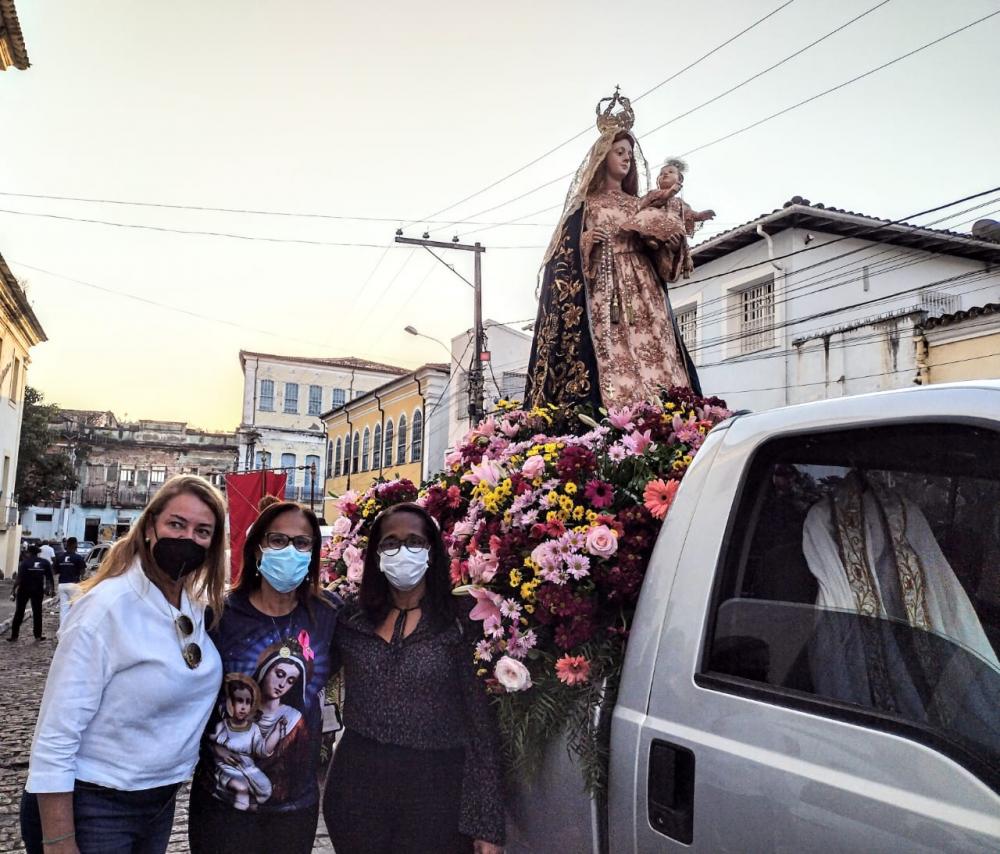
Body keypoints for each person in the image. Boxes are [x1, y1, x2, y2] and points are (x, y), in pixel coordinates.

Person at [19, 475, 227, 854]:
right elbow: (55, 735)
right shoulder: (105, 608)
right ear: (149, 527)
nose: (187, 538)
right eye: (176, 524)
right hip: (94, 804)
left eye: (202, 531)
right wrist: (59, 840)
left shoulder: (196, 607)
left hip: (158, 801)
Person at [323, 502, 505, 854]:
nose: (402, 550)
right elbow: (308, 672)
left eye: (414, 542)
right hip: (356, 787)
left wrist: (487, 824)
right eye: (390, 542)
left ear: (432, 552)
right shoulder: (352, 619)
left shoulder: (460, 622)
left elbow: (481, 725)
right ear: (376, 555)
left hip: (437, 790)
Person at [525, 89, 701, 410]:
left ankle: (663, 412)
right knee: (611, 354)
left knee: (658, 350)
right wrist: (587, 243)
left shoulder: (641, 204)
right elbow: (564, 258)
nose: (626, 158)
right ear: (602, 157)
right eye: (619, 151)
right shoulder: (587, 206)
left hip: (646, 293)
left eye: (629, 154)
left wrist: (670, 245)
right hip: (606, 292)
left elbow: (662, 262)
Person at [188, 501, 340, 854]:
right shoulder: (219, 614)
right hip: (221, 807)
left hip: (295, 811)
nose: (290, 550)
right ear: (257, 548)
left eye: (302, 542)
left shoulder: (328, 614)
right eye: (278, 540)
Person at [7, 545, 54, 643]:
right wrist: (50, 588)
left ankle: (14, 636)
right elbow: (50, 577)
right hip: (38, 590)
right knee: (37, 612)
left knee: (19, 612)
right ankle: (38, 636)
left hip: (24, 590)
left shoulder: (24, 563)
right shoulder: (44, 562)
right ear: (38, 553)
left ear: (29, 552)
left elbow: (19, 578)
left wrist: (13, 590)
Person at [53, 538, 87, 624]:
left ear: (67, 545)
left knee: (64, 608)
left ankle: (63, 627)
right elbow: (83, 571)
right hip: (73, 584)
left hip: (62, 585)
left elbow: (55, 571)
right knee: (77, 607)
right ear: (75, 545)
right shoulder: (78, 557)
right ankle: (74, 625)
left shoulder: (60, 557)